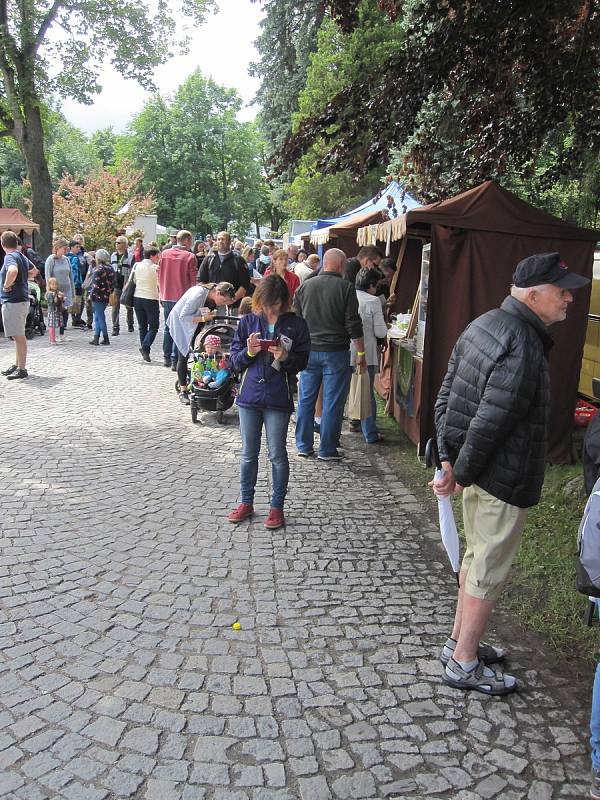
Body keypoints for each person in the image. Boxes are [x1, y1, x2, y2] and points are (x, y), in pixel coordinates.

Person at [432, 252, 589, 695]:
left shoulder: (483, 324)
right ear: (534, 295)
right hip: (499, 476)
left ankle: (458, 643)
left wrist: (450, 461)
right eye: (562, 292)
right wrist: (458, 470)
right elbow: (490, 421)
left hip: (479, 471)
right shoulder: (521, 342)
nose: (569, 300)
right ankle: (463, 663)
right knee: (487, 566)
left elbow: (447, 395)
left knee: (475, 559)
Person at [228, 275, 311, 529]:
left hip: (278, 397)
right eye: (265, 304)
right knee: (248, 454)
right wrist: (250, 352)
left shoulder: (296, 324)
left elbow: (302, 362)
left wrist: (286, 357)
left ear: (284, 301)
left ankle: (277, 507)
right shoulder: (249, 321)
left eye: (274, 304)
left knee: (277, 455)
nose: (270, 310)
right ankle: (246, 502)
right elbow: (234, 360)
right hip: (249, 396)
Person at [293, 248, 367, 460]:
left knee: (306, 400)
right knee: (333, 402)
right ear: (342, 265)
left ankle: (303, 445)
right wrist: (361, 352)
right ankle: (327, 449)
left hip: (308, 352)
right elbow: (353, 323)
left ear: (324, 264)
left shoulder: (305, 287)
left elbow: (296, 320)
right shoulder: (346, 288)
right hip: (335, 352)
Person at [166, 281, 235, 405]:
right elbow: (183, 317)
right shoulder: (198, 295)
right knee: (184, 354)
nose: (223, 304)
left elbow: (204, 309)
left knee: (199, 350)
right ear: (218, 293)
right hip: (181, 323)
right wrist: (204, 318)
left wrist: (206, 317)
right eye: (224, 301)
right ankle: (183, 390)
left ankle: (201, 380)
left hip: (194, 322)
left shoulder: (211, 294)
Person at [352, 267, 388, 444]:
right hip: (366, 354)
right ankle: (370, 433)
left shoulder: (348, 295)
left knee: (344, 392)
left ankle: (345, 426)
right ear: (371, 285)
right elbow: (380, 332)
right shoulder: (373, 301)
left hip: (345, 351)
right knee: (367, 394)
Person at [157, 229, 198, 370]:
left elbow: (159, 275)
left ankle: (166, 357)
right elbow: (193, 280)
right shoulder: (190, 257)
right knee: (179, 329)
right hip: (182, 298)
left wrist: (160, 293)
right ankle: (176, 359)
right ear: (186, 240)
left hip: (166, 295)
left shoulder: (165, 254)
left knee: (168, 327)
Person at [0, 230, 38, 379]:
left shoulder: (9, 257)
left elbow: (13, 270)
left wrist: (6, 285)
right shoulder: (21, 255)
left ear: (3, 244)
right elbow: (34, 271)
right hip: (22, 300)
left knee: (19, 336)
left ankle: (22, 369)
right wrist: (23, 280)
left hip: (13, 301)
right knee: (18, 335)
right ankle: (17, 364)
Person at [197, 231, 251, 313]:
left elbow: (245, 284)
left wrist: (231, 300)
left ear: (229, 241)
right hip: (210, 306)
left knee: (230, 326)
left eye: (223, 239)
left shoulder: (238, 260)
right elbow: (201, 281)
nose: (220, 241)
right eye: (219, 239)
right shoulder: (209, 259)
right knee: (207, 325)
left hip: (232, 306)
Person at [133, 246, 160, 362]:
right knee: (154, 326)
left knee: (142, 326)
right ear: (152, 256)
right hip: (151, 298)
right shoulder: (156, 268)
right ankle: (145, 346)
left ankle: (145, 351)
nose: (158, 258)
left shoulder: (136, 265)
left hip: (137, 297)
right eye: (157, 256)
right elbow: (159, 283)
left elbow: (133, 280)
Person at [45, 238, 74, 341]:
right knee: (56, 313)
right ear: (57, 248)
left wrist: (73, 292)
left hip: (67, 289)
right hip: (56, 291)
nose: (66, 251)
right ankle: (53, 335)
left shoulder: (66, 259)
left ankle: (62, 334)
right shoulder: (51, 260)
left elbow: (70, 276)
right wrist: (50, 291)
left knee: (65, 312)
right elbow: (48, 276)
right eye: (64, 248)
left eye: (67, 249)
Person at [89, 249, 114, 346]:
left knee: (100, 317)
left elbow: (95, 285)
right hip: (106, 296)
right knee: (98, 317)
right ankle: (96, 337)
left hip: (97, 297)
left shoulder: (97, 269)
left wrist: (91, 296)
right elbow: (113, 283)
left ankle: (105, 337)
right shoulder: (110, 268)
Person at [110, 235, 135, 335]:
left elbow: (133, 270)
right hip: (116, 284)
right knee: (115, 306)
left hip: (126, 284)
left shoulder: (130, 256)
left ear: (125, 245)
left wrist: (130, 283)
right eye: (116, 242)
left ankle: (130, 324)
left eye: (119, 242)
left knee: (128, 306)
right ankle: (115, 327)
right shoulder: (113, 255)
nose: (116, 244)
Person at [67, 240, 86, 328]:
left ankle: (74, 319)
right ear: (71, 248)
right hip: (76, 282)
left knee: (73, 301)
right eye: (77, 247)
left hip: (70, 282)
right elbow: (75, 271)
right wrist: (77, 282)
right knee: (79, 301)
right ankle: (76, 319)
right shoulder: (75, 258)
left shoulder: (66, 257)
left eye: (79, 247)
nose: (78, 249)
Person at [45, 277, 64, 345]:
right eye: (52, 284)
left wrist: (62, 298)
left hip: (56, 311)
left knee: (54, 325)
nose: (54, 286)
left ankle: (53, 339)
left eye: (55, 284)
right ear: (49, 285)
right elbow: (51, 303)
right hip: (52, 311)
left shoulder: (56, 292)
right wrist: (56, 298)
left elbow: (60, 302)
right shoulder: (50, 293)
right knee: (52, 326)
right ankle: (52, 340)